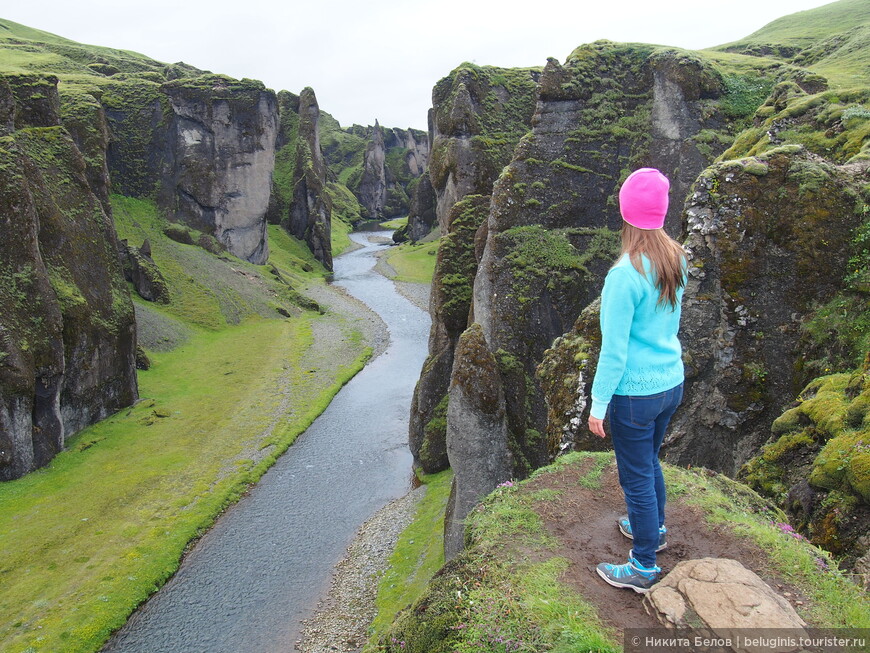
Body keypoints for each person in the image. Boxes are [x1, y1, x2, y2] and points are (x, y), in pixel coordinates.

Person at [587, 167, 687, 593]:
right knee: (649, 462)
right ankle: (655, 530)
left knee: (636, 476)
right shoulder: (677, 257)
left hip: (635, 394)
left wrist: (597, 404)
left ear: (626, 214)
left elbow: (614, 351)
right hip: (671, 385)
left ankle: (644, 565)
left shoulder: (624, 275)